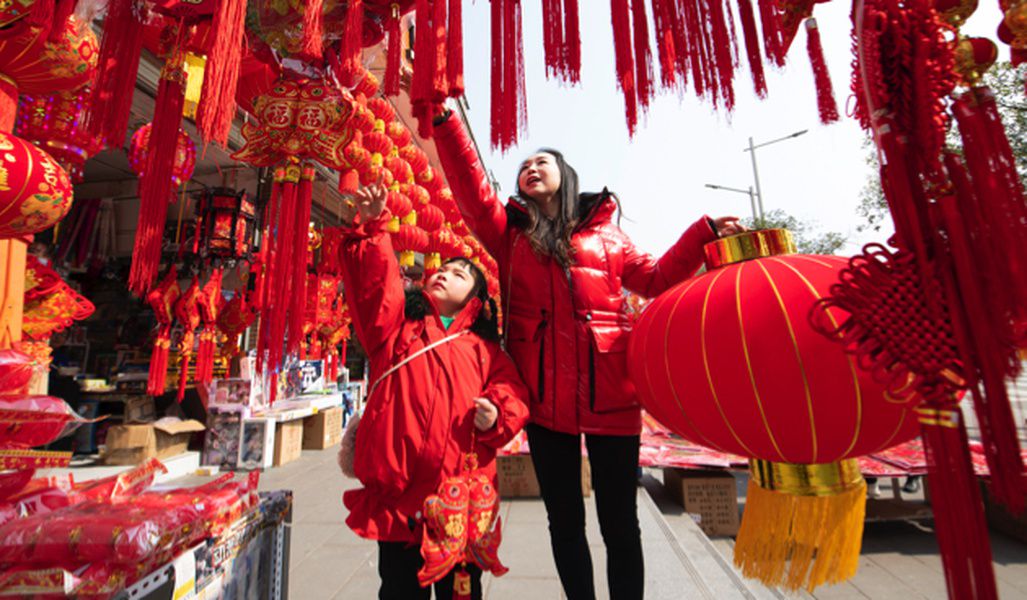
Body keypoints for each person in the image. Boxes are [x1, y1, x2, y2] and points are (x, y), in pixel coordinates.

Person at [433, 111, 744, 599]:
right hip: (543, 402)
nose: (530, 168)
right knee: (565, 523)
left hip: (613, 399)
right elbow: (472, 195)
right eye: (524, 166)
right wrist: (446, 124)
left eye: (542, 162)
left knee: (620, 523)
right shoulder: (510, 235)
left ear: (564, 172)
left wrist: (702, 232)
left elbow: (659, 279)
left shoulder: (610, 238)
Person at [337, 184, 530, 600]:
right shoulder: (395, 330)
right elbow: (375, 290)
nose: (443, 273)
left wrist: (497, 412)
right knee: (398, 589)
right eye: (442, 269)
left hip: (459, 500)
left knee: (461, 593)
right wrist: (375, 231)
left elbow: (512, 391)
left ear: (475, 301)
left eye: (459, 274)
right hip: (399, 502)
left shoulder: (486, 351)